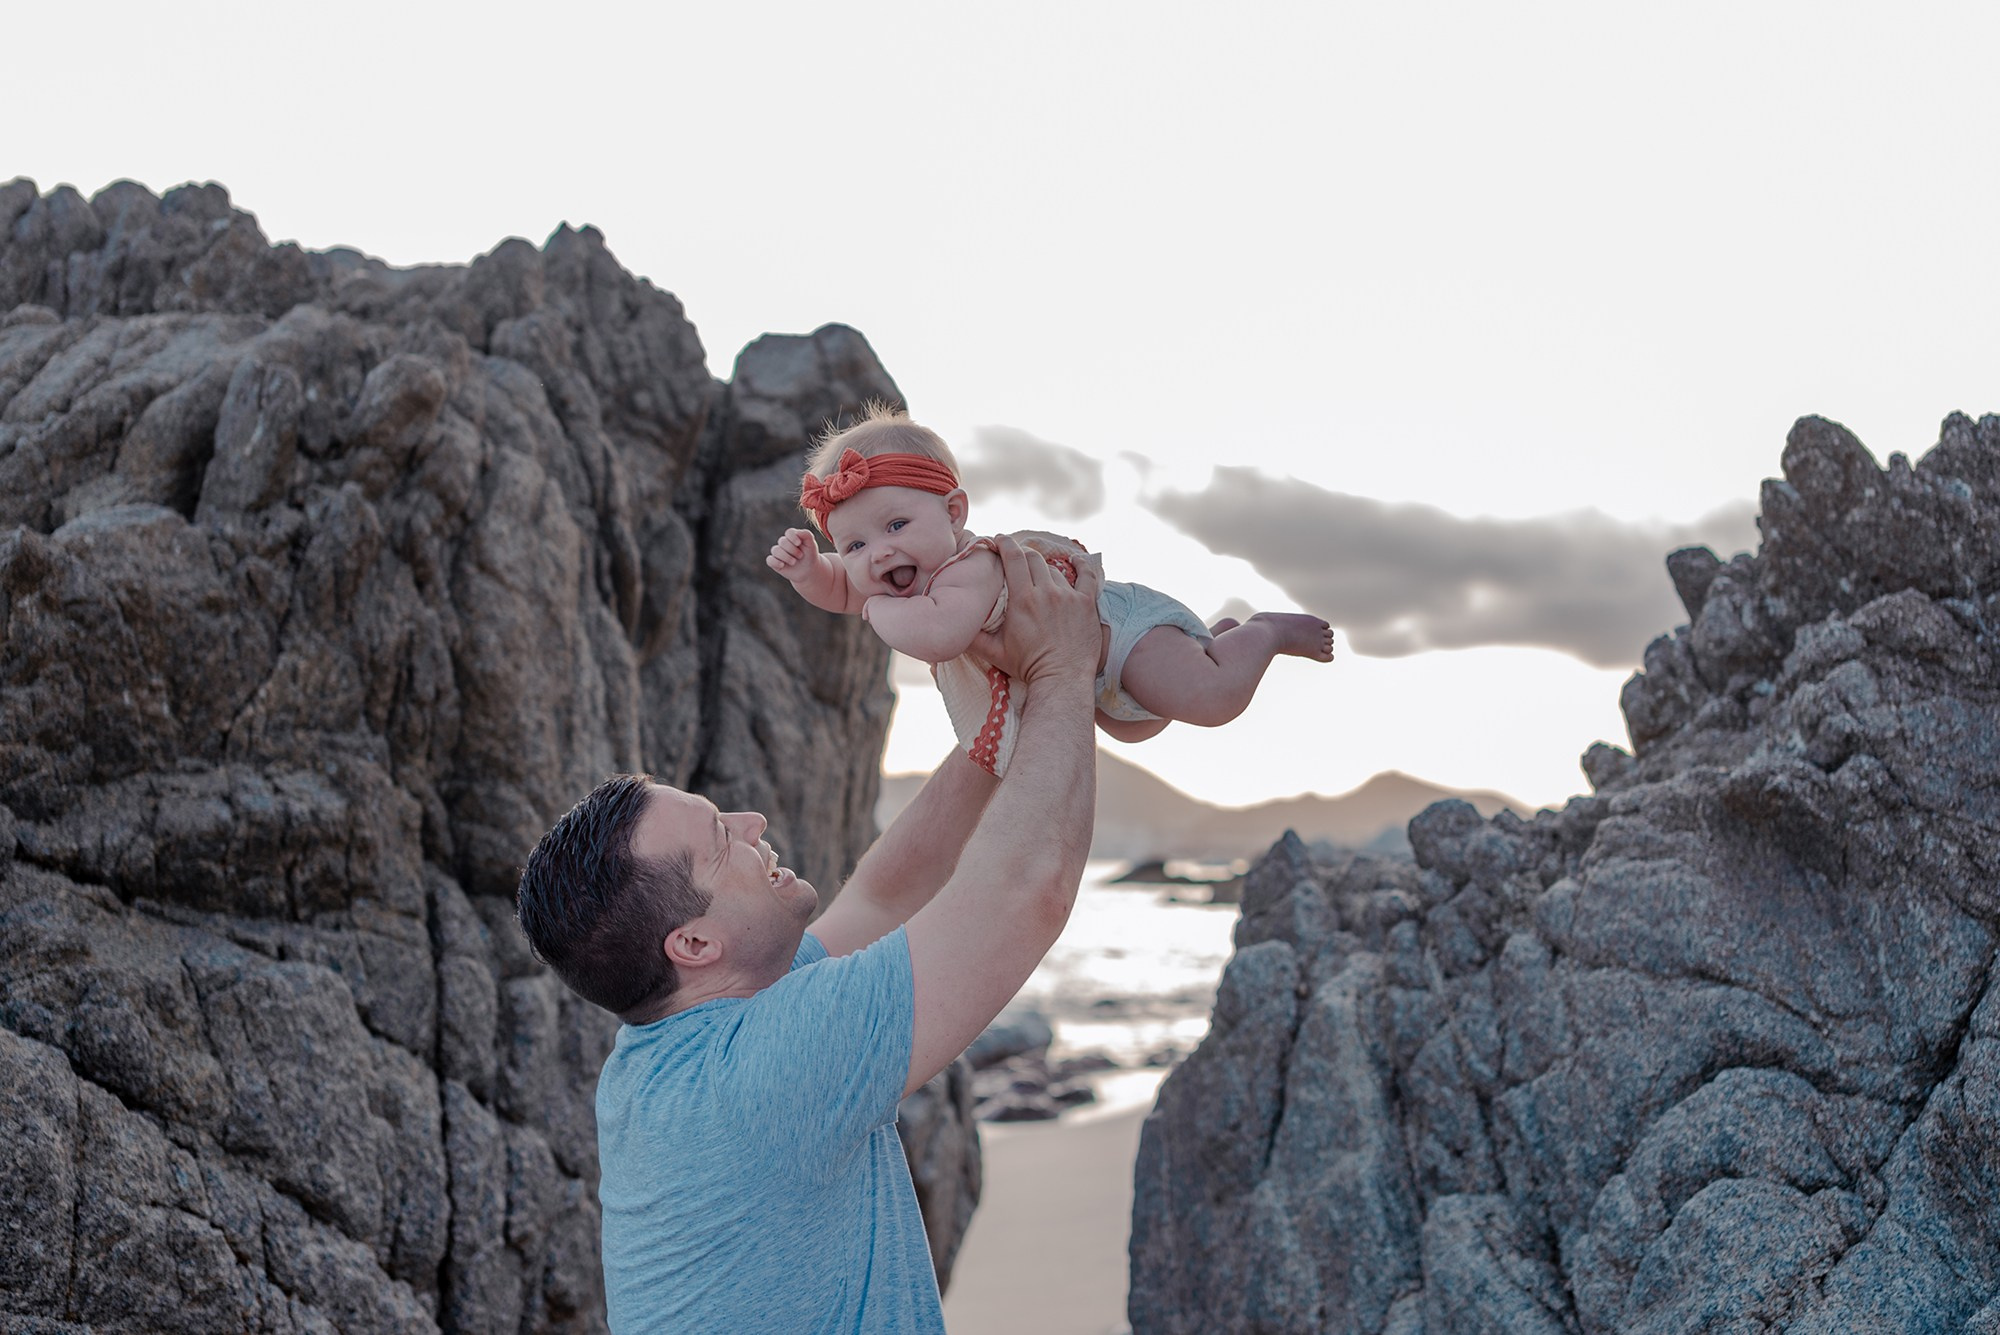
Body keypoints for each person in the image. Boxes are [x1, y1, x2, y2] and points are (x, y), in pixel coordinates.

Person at [515, 537, 1102, 1334]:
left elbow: (886, 892)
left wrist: (1005, 713)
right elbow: (1028, 890)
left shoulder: (676, 1051)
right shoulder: (768, 1070)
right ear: (692, 945)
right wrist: (1065, 668)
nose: (754, 821)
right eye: (723, 838)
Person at [766, 405, 1334, 775]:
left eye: (895, 527)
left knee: (1210, 701)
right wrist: (810, 572)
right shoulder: (903, 582)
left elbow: (935, 637)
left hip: (1124, 636)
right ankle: (1216, 645)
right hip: (1098, 680)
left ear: (955, 513)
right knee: (1139, 727)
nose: (878, 554)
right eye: (855, 545)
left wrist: (877, 607)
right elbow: (843, 589)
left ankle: (1264, 632)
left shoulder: (972, 569)